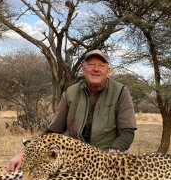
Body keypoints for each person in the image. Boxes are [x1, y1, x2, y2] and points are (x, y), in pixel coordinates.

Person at [7, 49, 137, 172]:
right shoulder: (70, 93)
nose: (96, 69)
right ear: (83, 68)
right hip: (73, 158)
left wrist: (113, 152)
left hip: (105, 157)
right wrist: (24, 153)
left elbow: (127, 131)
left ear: (108, 70)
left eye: (101, 65)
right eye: (91, 64)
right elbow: (53, 131)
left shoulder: (121, 91)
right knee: (31, 172)